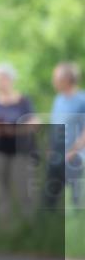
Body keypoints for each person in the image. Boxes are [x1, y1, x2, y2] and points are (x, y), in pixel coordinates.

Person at [0, 62, 38, 228]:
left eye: (3, 78)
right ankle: (4, 228)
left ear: (10, 79)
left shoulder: (24, 101)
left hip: (21, 152)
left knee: (24, 191)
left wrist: (14, 130)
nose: (0, 82)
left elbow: (34, 124)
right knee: (1, 192)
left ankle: (29, 227)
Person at [42, 61, 85, 209]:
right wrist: (50, 147)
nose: (53, 81)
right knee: (49, 197)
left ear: (67, 79)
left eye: (56, 78)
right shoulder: (58, 99)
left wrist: (73, 151)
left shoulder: (82, 100)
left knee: (76, 199)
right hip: (57, 154)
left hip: (75, 157)